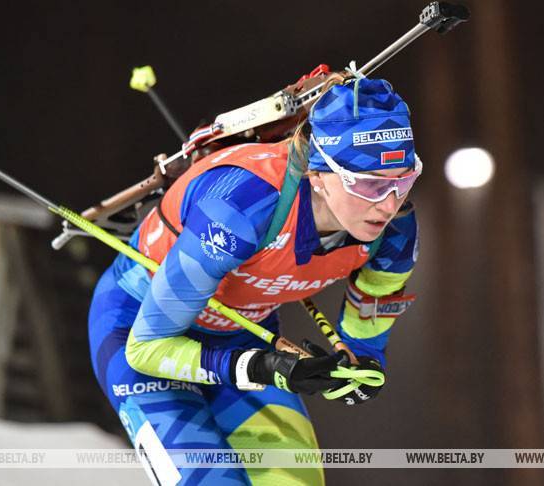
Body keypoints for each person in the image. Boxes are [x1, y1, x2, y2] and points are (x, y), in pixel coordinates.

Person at [88, 76, 420, 485]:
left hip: (241, 338)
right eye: (370, 184)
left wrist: (360, 362)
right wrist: (261, 367)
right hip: (140, 333)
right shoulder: (243, 206)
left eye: (403, 179)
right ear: (319, 174)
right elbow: (148, 348)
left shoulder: (397, 230)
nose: (390, 203)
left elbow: (370, 315)